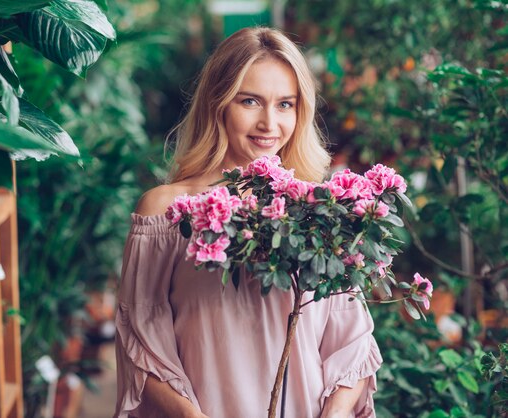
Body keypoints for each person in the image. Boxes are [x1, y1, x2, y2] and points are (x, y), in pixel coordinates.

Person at [114, 27, 382, 418]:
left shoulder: (320, 211)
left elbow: (352, 344)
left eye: (285, 104)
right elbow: (140, 346)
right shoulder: (167, 212)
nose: (269, 123)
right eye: (251, 101)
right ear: (218, 103)